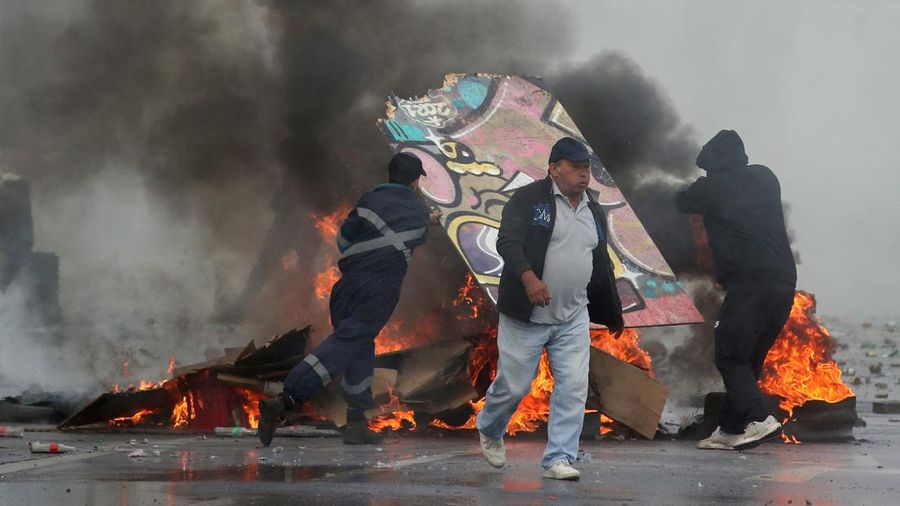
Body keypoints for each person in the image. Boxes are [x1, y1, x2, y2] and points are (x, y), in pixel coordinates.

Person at [258, 152, 441, 447]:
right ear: (415, 181)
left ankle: (357, 423)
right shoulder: (418, 213)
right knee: (346, 343)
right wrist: (430, 221)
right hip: (377, 291)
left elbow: (343, 240)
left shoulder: (369, 200)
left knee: (360, 349)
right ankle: (285, 398)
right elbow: (418, 233)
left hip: (345, 288)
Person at [476, 137, 624, 481]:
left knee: (573, 386)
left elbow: (599, 262)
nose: (584, 175)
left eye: (587, 168)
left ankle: (559, 457)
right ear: (554, 169)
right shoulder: (528, 200)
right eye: (576, 168)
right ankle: (490, 427)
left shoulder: (593, 209)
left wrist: (612, 311)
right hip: (526, 315)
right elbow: (507, 242)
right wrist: (529, 280)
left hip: (573, 315)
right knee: (514, 385)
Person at [676, 129, 797, 451]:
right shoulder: (765, 177)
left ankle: (760, 419)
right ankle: (730, 429)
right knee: (749, 358)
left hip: (751, 283)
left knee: (729, 354)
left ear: (712, 163)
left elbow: (683, 201)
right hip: (783, 283)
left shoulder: (712, 186)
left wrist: (703, 181)